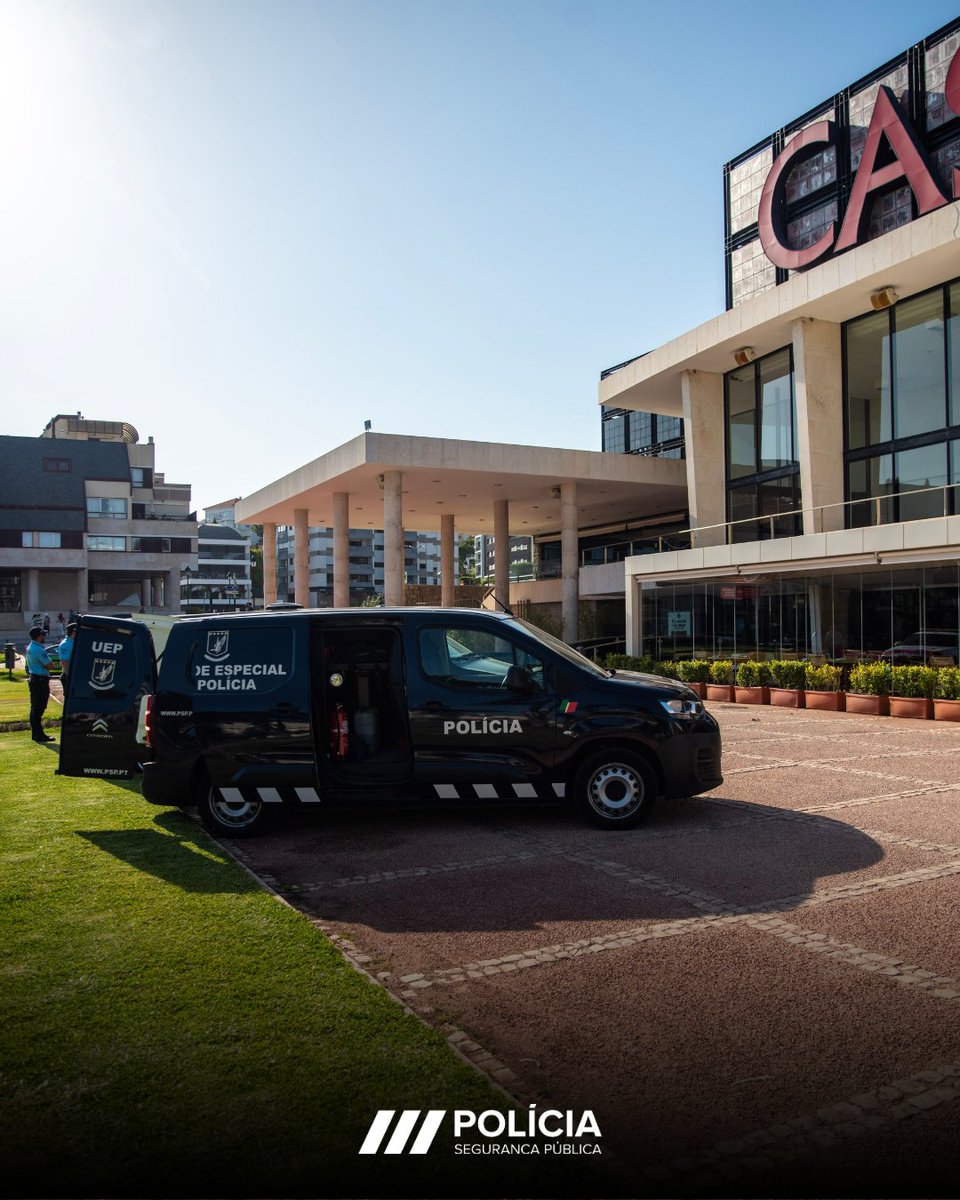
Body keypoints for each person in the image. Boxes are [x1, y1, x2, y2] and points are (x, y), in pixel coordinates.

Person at [25, 627, 54, 743]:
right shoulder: (38, 650)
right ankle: (39, 734)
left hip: (34, 680)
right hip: (40, 681)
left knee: (35, 707)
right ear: (39, 636)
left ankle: (36, 733)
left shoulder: (30, 647)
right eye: (43, 635)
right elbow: (50, 665)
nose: (44, 637)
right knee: (39, 707)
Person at [58, 623, 77, 687]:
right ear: (73, 632)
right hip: (69, 675)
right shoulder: (65, 644)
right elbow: (64, 662)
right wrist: (70, 676)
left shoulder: (73, 642)